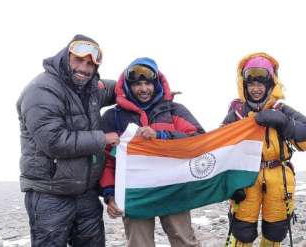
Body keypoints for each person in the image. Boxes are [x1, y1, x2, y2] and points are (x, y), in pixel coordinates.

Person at [16, 34, 120, 247]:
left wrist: (156, 89)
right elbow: (53, 141)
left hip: (86, 194)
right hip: (50, 194)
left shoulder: (91, 88)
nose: (84, 68)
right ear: (65, 57)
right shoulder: (42, 90)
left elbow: (121, 88)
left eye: (90, 63)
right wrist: (102, 138)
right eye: (78, 60)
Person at [99, 57, 204, 247]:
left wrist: (162, 135)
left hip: (174, 190)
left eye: (148, 83)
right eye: (137, 84)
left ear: (156, 84)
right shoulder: (111, 117)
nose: (143, 89)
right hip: (135, 195)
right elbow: (105, 161)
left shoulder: (174, 110)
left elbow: (199, 140)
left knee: (185, 243)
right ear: (128, 86)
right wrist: (109, 193)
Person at [222, 52, 306, 246]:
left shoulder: (281, 110)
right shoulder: (236, 114)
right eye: (251, 84)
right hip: (245, 179)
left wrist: (285, 123)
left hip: (279, 178)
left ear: (270, 85)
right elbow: (220, 149)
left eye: (261, 84)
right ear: (244, 85)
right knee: (242, 230)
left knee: (275, 231)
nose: (256, 89)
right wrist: (230, 183)